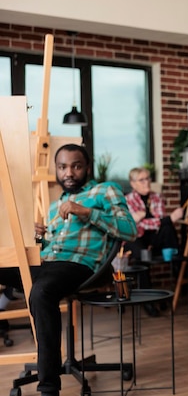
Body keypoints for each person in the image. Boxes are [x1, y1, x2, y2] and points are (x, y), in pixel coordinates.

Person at [0, 143, 137, 396]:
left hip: (80, 265)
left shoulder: (105, 190)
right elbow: (49, 249)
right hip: (49, 264)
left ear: (86, 168)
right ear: (56, 170)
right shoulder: (56, 206)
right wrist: (38, 240)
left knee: (41, 293)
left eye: (76, 166)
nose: (69, 173)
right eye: (62, 167)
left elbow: (130, 229)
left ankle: (49, 388)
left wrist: (86, 211)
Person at [124, 167, 183, 316]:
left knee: (168, 228)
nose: (147, 182)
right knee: (142, 255)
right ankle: (148, 301)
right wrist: (166, 220)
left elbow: (160, 222)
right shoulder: (127, 200)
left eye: (148, 178)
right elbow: (137, 225)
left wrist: (162, 221)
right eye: (142, 180)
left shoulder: (157, 197)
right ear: (133, 184)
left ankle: (178, 267)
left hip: (153, 237)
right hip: (136, 238)